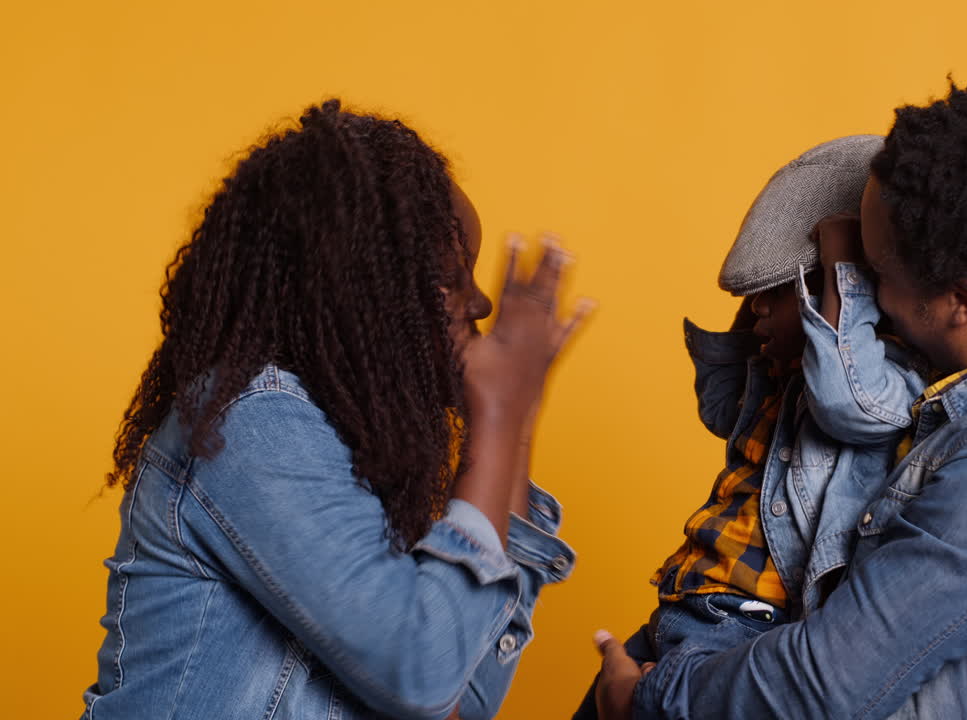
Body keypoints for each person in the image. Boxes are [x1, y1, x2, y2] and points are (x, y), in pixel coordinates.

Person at [595, 71, 967, 719]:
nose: (863, 301)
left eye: (875, 274)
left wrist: (645, 700)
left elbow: (825, 681)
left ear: (962, 301)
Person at [82, 100, 592, 720]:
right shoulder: (251, 424)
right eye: (445, 283)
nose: (480, 304)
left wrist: (515, 424)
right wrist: (497, 417)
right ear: (356, 291)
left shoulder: (361, 453)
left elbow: (462, 698)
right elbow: (423, 673)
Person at [573, 134, 927, 719]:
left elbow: (847, 402)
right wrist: (761, 307)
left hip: (743, 627)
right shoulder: (783, 377)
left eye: (774, 294)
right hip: (685, 607)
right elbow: (719, 408)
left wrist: (839, 259)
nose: (757, 307)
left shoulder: (887, 376)